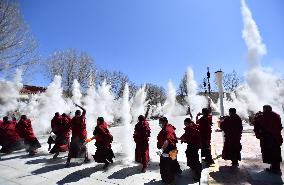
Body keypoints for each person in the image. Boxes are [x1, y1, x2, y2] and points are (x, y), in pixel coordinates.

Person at [253, 105, 283, 174]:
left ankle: (274, 169)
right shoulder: (276, 115)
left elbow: (256, 124)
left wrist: (259, 134)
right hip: (276, 137)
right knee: (276, 152)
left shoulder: (261, 116)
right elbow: (280, 126)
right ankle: (275, 168)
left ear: (264, 109)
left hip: (267, 138)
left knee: (270, 153)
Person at [157, 117, 182, 184]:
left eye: (160, 122)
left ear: (164, 122)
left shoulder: (167, 129)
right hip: (172, 150)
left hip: (168, 150)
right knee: (173, 161)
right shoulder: (169, 127)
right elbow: (172, 136)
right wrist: (179, 138)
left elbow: (167, 140)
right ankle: (178, 172)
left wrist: (162, 150)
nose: (159, 124)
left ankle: (169, 180)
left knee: (166, 165)